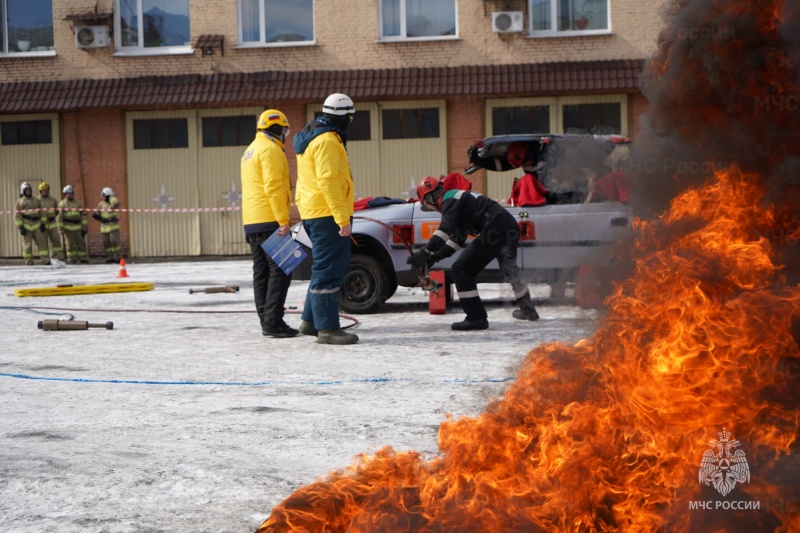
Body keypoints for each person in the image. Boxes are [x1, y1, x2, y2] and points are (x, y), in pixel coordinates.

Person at [407, 176, 540, 331]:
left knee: (462, 269)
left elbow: (445, 229)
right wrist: (433, 258)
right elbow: (456, 241)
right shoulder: (459, 201)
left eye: (426, 205)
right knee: (509, 269)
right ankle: (528, 310)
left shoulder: (449, 200)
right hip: (508, 226)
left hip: (494, 228)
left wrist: (424, 252)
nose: (429, 209)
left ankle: (476, 318)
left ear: (429, 198)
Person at [293, 93, 358, 345]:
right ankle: (328, 329)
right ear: (344, 117)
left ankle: (311, 322)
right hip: (327, 213)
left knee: (324, 266)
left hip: (315, 210)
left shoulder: (313, 137)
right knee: (329, 269)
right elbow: (328, 181)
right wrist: (342, 218)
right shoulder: (328, 141)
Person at [241, 109, 298, 338]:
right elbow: (274, 187)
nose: (285, 136)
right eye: (284, 131)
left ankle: (267, 320)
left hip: (252, 220)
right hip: (270, 219)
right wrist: (283, 221)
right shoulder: (271, 150)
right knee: (283, 268)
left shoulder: (249, 151)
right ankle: (272, 321)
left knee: (262, 271)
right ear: (277, 129)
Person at [14, 181, 50, 265]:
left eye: (29, 190)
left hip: (36, 225)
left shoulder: (36, 200)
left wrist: (43, 223)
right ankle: (29, 261)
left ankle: (46, 260)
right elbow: (17, 215)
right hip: (26, 226)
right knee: (27, 245)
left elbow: (42, 212)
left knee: (42, 243)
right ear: (23, 191)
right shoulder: (19, 202)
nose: (28, 192)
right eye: (26, 190)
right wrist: (20, 227)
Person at [57, 185, 90, 264]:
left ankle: (83, 258)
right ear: (65, 194)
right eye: (68, 193)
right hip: (67, 227)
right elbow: (59, 217)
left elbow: (83, 215)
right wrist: (60, 228)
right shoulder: (62, 204)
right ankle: (72, 259)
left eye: (71, 193)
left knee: (81, 243)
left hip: (78, 227)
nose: (70, 195)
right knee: (69, 244)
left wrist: (85, 227)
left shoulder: (78, 203)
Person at [92, 187, 122, 263]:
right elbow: (95, 213)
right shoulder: (101, 204)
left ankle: (118, 257)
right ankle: (110, 256)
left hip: (113, 226)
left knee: (114, 242)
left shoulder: (113, 203)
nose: (103, 197)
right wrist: (99, 218)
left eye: (104, 195)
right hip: (104, 227)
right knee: (106, 243)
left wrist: (111, 197)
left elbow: (116, 203)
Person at [37, 181, 65, 261]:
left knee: (56, 241)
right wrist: (40, 223)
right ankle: (45, 259)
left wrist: (52, 217)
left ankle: (58, 256)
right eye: (44, 190)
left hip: (52, 223)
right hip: (42, 224)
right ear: (40, 191)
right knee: (43, 243)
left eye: (47, 190)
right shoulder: (37, 200)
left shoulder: (53, 199)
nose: (46, 192)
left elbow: (56, 211)